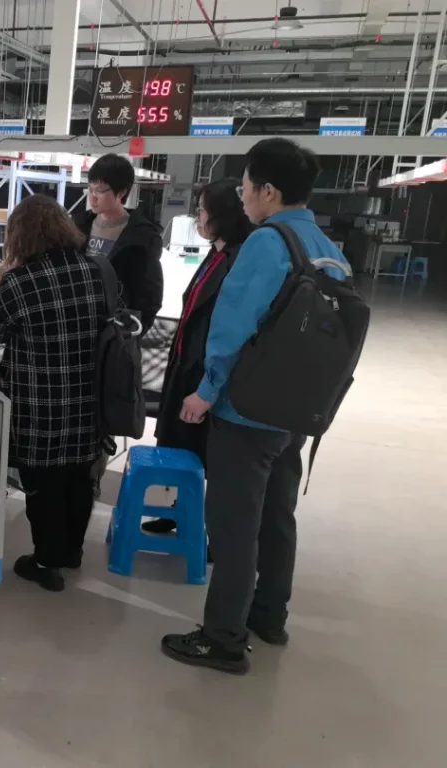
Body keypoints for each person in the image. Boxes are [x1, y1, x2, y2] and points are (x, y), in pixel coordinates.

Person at [161, 138, 348, 674]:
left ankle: (223, 637)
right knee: (276, 516)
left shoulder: (268, 243)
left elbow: (232, 328)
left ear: (268, 190)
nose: (241, 195)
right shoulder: (326, 248)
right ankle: (269, 616)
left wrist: (206, 391)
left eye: (245, 185)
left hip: (247, 412)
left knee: (233, 526)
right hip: (295, 412)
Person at [0, 194, 110, 593]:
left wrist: (5, 278)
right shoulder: (95, 270)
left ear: (21, 237)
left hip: (41, 405)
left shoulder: (21, 282)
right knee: (80, 477)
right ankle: (71, 552)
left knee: (44, 483)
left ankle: (47, 563)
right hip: (88, 400)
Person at [142, 179, 254, 536]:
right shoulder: (217, 253)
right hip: (186, 366)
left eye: (204, 211)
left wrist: (206, 385)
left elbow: (230, 329)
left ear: (224, 216)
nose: (198, 218)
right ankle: (173, 513)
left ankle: (212, 535)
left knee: (207, 456)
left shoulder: (239, 259)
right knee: (178, 447)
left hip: (207, 374)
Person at [73, 153, 164, 331]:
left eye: (100, 191)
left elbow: (150, 295)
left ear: (122, 192)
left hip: (117, 329)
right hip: (78, 323)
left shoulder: (141, 236)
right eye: (90, 189)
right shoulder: (77, 226)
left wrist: (131, 332)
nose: (92, 197)